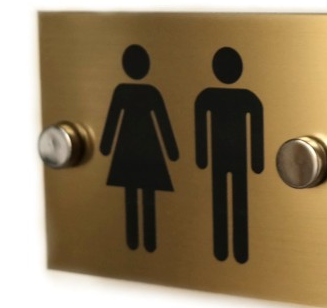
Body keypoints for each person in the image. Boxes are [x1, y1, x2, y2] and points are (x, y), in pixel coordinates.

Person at [100, 44, 179, 252]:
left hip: (130, 148)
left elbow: (114, 121)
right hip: (145, 148)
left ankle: (139, 242)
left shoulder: (126, 91)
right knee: (143, 194)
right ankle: (143, 243)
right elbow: (162, 123)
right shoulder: (147, 92)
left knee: (134, 194)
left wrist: (106, 147)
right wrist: (172, 152)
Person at [195, 47, 264, 263]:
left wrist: (202, 158)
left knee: (227, 201)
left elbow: (256, 129)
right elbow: (201, 128)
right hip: (234, 159)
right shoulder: (245, 98)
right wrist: (257, 163)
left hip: (225, 158)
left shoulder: (208, 97)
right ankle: (231, 251)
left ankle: (229, 250)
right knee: (230, 202)